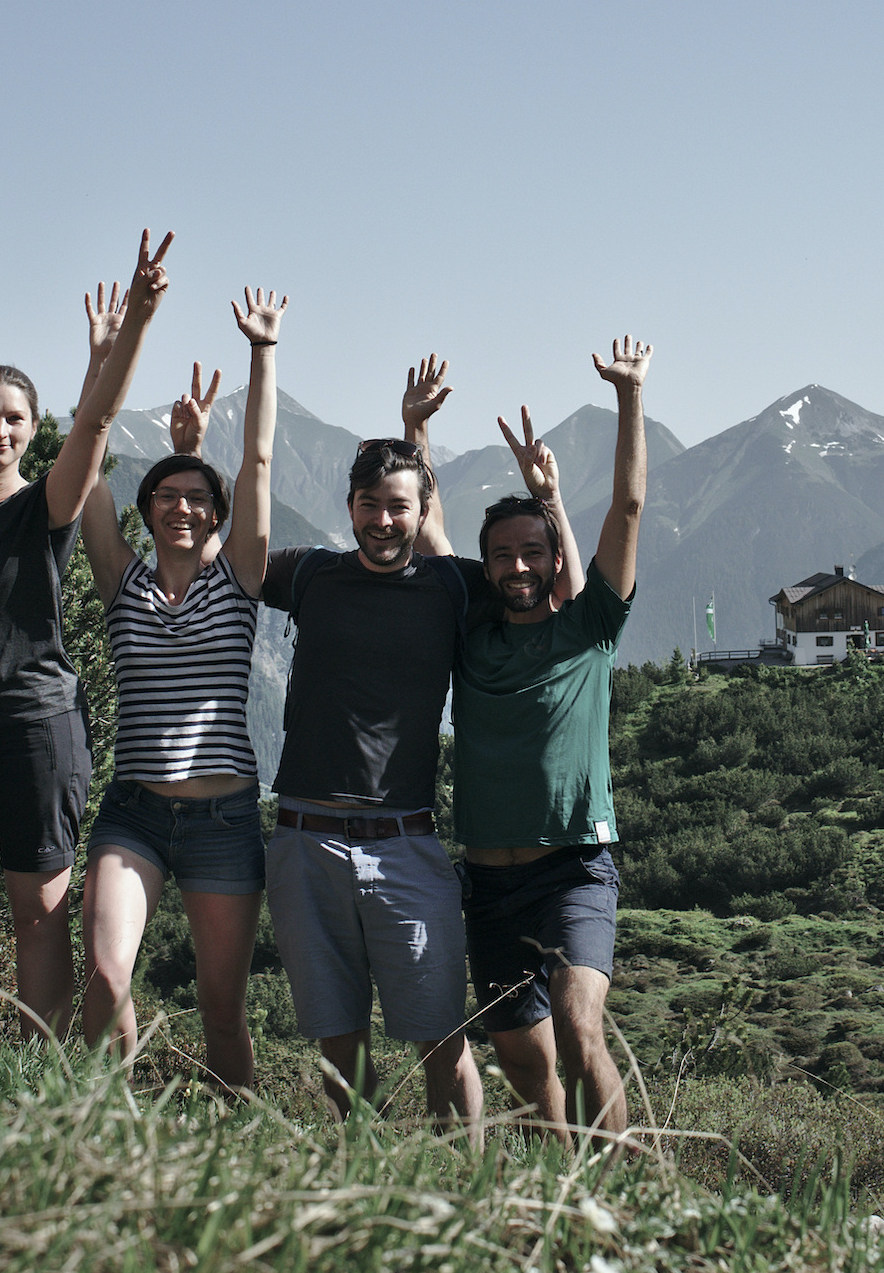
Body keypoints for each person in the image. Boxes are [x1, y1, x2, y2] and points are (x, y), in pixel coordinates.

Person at [0, 232, 171, 1037]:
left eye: (14, 418)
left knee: (38, 911)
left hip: (36, 725)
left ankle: (41, 1073)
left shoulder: (46, 504)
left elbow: (95, 420)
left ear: (30, 429)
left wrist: (137, 323)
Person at [425, 339, 652, 1143]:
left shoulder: (591, 629)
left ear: (556, 558)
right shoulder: (470, 636)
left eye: (532, 553)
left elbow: (626, 510)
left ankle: (630, 1192)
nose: (517, 566)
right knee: (524, 1062)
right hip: (487, 882)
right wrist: (416, 436)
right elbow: (428, 534)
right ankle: (565, 1186)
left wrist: (629, 396)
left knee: (580, 1026)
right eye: (502, 556)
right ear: (486, 567)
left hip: (573, 870)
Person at [254, 356, 487, 1127]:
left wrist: (418, 429)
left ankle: (467, 1197)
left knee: (442, 1037)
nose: (382, 520)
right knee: (337, 1040)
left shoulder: (449, 585)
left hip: (405, 841)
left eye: (398, 507)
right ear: (348, 506)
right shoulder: (310, 574)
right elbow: (239, 558)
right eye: (368, 505)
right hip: (303, 838)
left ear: (420, 511)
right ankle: (366, 1184)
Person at [80, 286, 284, 1092]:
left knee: (221, 1010)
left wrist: (262, 353)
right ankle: (111, 1128)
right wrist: (102, 357)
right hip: (133, 812)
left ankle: (241, 1138)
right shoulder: (120, 583)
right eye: (167, 496)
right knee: (105, 976)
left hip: (225, 820)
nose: (183, 507)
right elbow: (87, 456)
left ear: (217, 515)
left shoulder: (239, 582)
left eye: (199, 498)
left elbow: (260, 461)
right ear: (148, 510)